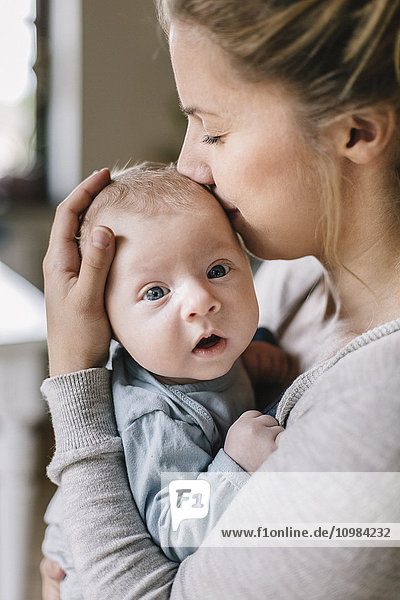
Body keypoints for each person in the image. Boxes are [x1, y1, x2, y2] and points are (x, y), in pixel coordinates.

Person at [40, 1, 400, 598]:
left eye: (212, 129)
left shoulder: (377, 419)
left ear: (353, 129)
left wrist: (75, 381)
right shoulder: (298, 281)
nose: (189, 165)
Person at [42, 162, 288, 599]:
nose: (201, 301)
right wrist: (236, 463)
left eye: (217, 270)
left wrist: (253, 355)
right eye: (155, 292)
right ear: (108, 323)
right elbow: (174, 527)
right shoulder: (154, 416)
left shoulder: (190, 353)